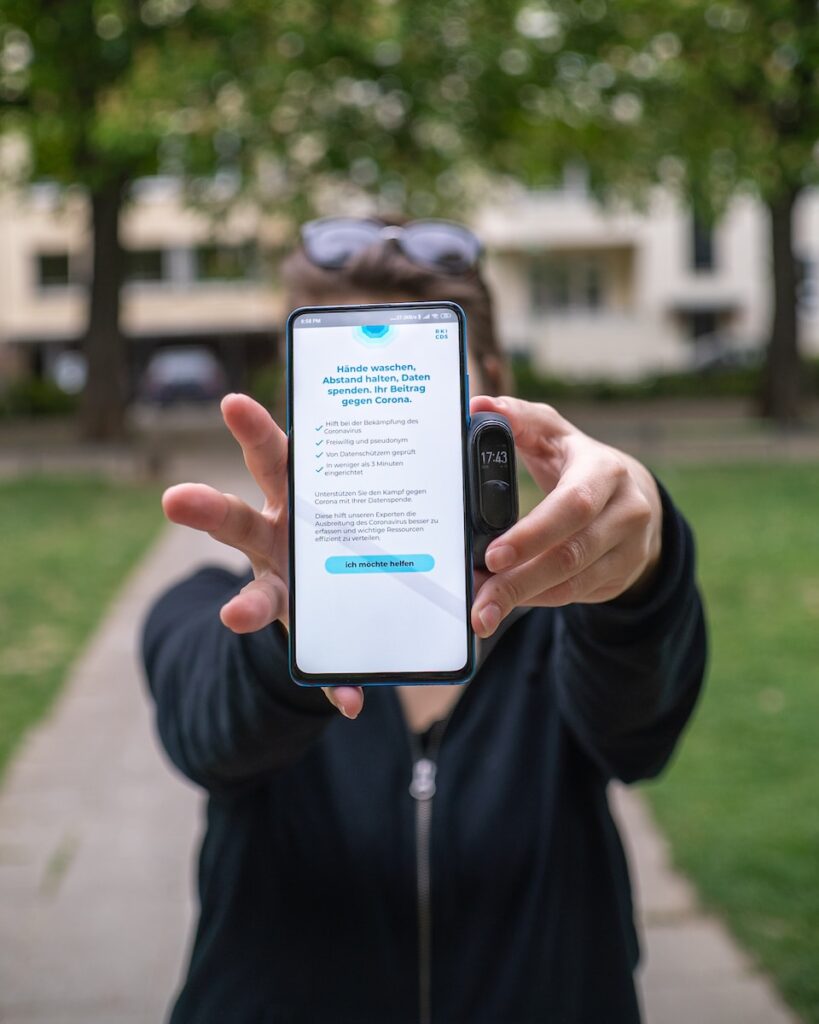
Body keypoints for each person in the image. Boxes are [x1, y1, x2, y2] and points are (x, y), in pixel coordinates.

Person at [142, 216, 707, 1024]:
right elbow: (213, 730)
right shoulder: (203, 607)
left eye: (424, 376)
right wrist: (288, 644)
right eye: (350, 380)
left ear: (497, 397)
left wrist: (639, 575)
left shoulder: (558, 625)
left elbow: (639, 734)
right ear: (288, 412)